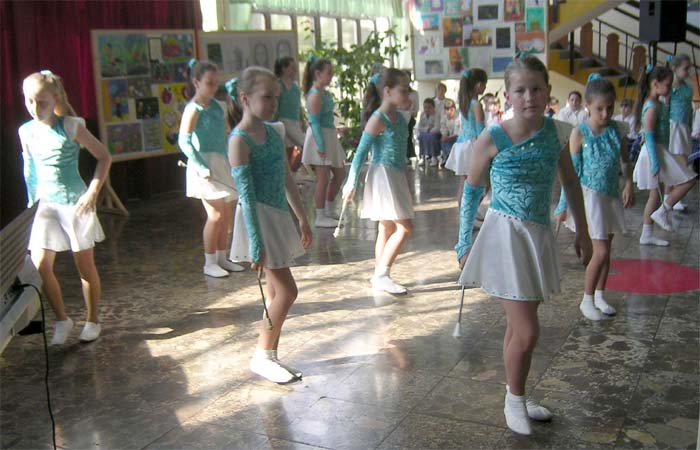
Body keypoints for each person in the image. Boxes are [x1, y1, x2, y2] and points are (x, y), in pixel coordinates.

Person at [455, 56, 592, 435]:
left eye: (536, 89)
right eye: (520, 90)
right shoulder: (492, 137)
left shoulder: (557, 133)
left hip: (537, 236)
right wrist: (463, 242)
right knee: (528, 331)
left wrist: (582, 231)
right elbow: (471, 191)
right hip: (504, 237)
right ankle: (514, 400)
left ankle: (516, 391)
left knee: (519, 329)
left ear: (548, 92)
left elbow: (570, 182)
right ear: (508, 96)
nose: (529, 97)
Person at [227, 66, 312, 384]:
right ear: (245, 98)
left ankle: (270, 355)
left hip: (277, 216)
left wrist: (301, 216)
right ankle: (262, 356)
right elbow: (246, 197)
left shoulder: (275, 133)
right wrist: (256, 241)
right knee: (288, 292)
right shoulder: (239, 141)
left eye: (276, 97)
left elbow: (286, 177)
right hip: (258, 221)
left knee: (276, 292)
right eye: (267, 97)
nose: (273, 103)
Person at [19, 70, 112, 344]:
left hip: (74, 204)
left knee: (85, 267)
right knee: (40, 266)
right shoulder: (25, 131)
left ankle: (92, 320)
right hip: (44, 206)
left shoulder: (70, 126)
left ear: (55, 99)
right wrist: (31, 204)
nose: (35, 107)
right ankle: (62, 319)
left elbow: (104, 157)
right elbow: (29, 170)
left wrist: (92, 192)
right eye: (29, 101)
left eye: (41, 102)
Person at [554, 74, 635, 321]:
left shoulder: (617, 130)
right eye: (600, 108)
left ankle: (600, 294)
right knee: (600, 251)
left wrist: (628, 183)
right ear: (588, 105)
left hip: (610, 196)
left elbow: (625, 161)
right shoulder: (580, 133)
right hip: (591, 198)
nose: (605, 113)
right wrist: (563, 206)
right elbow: (571, 173)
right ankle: (586, 299)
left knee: (607, 251)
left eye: (610, 107)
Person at [341, 68, 414, 294]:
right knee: (405, 228)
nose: (408, 95)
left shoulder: (399, 116)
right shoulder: (378, 119)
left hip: (395, 174)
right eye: (404, 91)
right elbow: (361, 153)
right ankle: (382, 273)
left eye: (408, 90)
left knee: (386, 226)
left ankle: (379, 274)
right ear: (388, 92)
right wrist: (351, 182)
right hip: (383, 175)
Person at [179, 59, 243, 278]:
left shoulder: (218, 106)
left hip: (221, 162)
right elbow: (184, 141)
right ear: (196, 82)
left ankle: (222, 257)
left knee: (226, 215)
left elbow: (225, 134)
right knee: (215, 215)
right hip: (203, 165)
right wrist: (200, 166)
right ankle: (209, 262)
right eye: (209, 83)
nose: (214, 88)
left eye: (216, 83)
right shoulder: (193, 109)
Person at [632, 65, 696, 245]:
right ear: (655, 84)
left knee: (655, 195)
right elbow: (649, 136)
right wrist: (655, 161)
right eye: (668, 84)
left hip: (659, 150)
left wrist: (667, 103)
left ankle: (647, 233)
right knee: (689, 179)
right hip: (654, 152)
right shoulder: (651, 107)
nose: (670, 88)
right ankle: (663, 210)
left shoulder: (658, 104)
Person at [301, 56, 345, 227]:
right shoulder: (314, 95)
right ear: (318, 74)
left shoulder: (324, 93)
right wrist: (320, 145)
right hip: (320, 137)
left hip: (328, 134)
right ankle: (320, 216)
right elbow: (315, 122)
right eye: (328, 73)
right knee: (323, 177)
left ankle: (328, 209)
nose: (331, 76)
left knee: (339, 174)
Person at [445, 68, 487, 201]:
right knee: (478, 184)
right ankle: (471, 211)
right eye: (484, 84)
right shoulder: (476, 105)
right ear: (479, 85)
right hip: (472, 145)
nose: (485, 87)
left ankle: (463, 212)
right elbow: (480, 130)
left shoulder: (465, 103)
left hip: (461, 144)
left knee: (463, 184)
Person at [273, 57, 309, 179]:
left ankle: (291, 173)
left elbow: (298, 107)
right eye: (292, 68)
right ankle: (288, 175)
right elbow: (276, 106)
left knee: (300, 147)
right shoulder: (279, 85)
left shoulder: (295, 87)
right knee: (295, 147)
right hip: (283, 121)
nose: (295, 71)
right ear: (284, 69)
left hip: (294, 122)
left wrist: (302, 121)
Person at [666, 54, 694, 211]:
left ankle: (672, 197)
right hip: (673, 127)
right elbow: (665, 109)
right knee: (679, 164)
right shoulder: (670, 88)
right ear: (674, 69)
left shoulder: (688, 88)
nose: (688, 72)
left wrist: (689, 127)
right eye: (685, 68)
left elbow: (689, 110)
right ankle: (670, 198)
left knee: (681, 162)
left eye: (689, 68)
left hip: (683, 128)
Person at [398, 69, 419, 161]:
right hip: (397, 117)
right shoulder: (396, 92)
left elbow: (416, 110)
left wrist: (408, 112)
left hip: (409, 117)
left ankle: (407, 154)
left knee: (407, 130)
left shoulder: (414, 94)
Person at [417, 98, 441, 167]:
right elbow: (419, 127)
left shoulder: (437, 114)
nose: (427, 109)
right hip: (426, 133)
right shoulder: (422, 114)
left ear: (433, 107)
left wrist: (428, 130)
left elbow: (437, 128)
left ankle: (434, 157)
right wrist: (428, 128)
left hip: (436, 134)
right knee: (421, 136)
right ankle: (422, 157)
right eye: (425, 107)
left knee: (431, 136)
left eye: (429, 107)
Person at [439, 98, 460, 168]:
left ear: (454, 109)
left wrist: (448, 137)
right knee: (443, 140)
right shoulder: (444, 118)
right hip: (448, 136)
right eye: (447, 109)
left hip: (457, 136)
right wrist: (444, 135)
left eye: (451, 109)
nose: (449, 112)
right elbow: (443, 128)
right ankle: (445, 158)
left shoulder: (458, 118)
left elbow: (457, 132)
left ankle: (453, 160)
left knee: (454, 141)